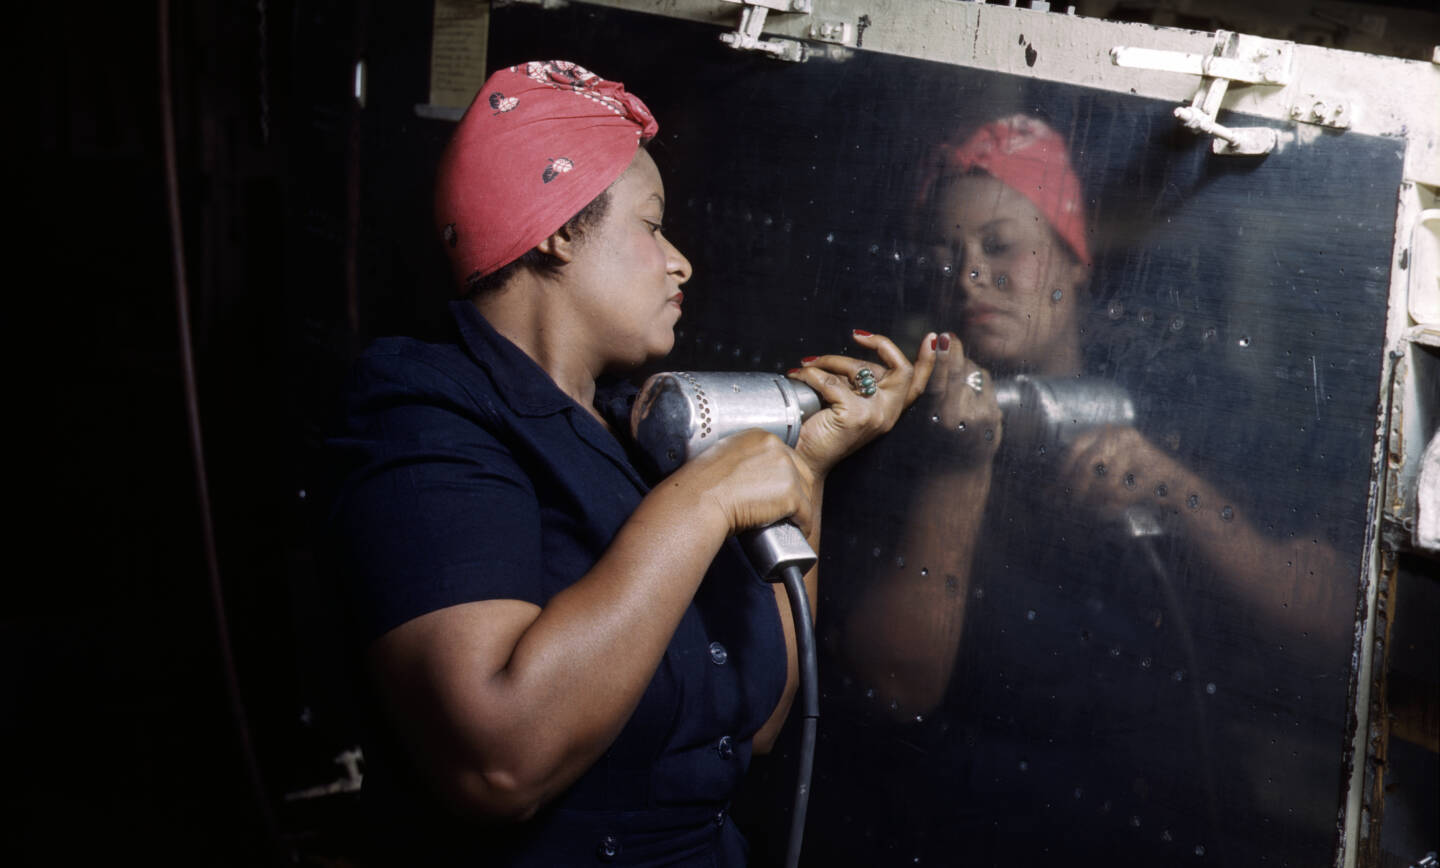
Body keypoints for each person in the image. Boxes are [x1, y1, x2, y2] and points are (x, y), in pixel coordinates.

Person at [327, 60, 935, 866]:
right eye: (652, 226)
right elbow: (497, 762)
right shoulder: (425, 413)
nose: (680, 262)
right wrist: (702, 501)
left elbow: (756, 724)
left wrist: (807, 472)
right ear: (557, 227)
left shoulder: (634, 431)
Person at [826, 115, 1351, 864]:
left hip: (1171, 822)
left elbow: (1334, 628)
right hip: (976, 827)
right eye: (945, 253)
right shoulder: (900, 432)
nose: (968, 275)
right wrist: (958, 468)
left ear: (1074, 259)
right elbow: (894, 684)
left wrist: (1181, 496)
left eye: (1000, 245)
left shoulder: (1185, 401)